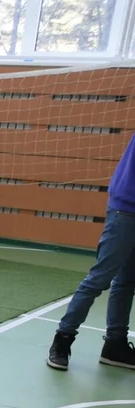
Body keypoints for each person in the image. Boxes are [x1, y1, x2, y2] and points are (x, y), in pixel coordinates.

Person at [47, 138, 135, 371]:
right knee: (99, 279)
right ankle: (63, 339)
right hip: (126, 209)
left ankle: (115, 345)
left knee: (127, 282)